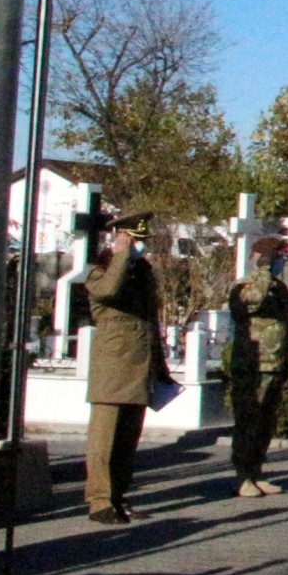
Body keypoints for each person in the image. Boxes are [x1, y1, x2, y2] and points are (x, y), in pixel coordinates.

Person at [83, 210, 163, 524]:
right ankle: (99, 501)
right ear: (119, 237)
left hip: (139, 366)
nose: (139, 247)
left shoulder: (140, 271)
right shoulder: (99, 271)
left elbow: (149, 320)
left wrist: (159, 365)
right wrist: (119, 255)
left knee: (127, 442)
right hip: (113, 368)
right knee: (104, 441)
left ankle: (117, 497)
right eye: (134, 239)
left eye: (140, 241)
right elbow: (108, 292)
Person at [226, 236, 288, 498]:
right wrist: (263, 271)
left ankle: (256, 472)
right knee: (248, 422)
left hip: (274, 364)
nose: (281, 264)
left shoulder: (279, 287)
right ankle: (242, 476)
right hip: (251, 366)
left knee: (266, 422)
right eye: (278, 259)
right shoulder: (246, 284)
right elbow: (251, 303)